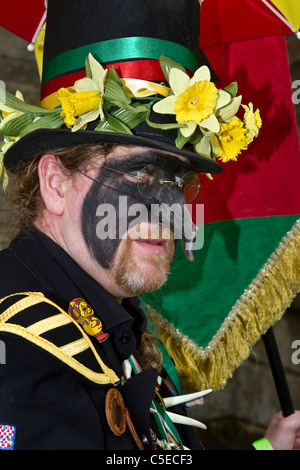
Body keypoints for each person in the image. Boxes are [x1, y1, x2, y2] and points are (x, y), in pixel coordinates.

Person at [0, 0, 299, 451]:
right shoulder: (23, 356)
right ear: (55, 182)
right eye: (140, 174)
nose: (174, 211)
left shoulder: (106, 313)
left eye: (184, 183)